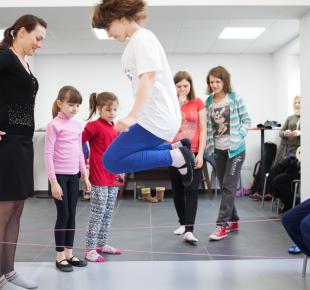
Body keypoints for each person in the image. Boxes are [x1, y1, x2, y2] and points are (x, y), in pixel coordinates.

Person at [91, 0, 194, 186]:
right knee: (121, 156)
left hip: (156, 120)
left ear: (120, 18)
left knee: (111, 161)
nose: (107, 34)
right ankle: (175, 149)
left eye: (107, 27)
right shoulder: (135, 42)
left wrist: (132, 116)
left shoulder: (143, 39)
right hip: (154, 119)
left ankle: (175, 156)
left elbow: (149, 77)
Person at [0, 15, 47, 289]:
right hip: (6, 145)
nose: (39, 44)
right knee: (4, 209)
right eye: (37, 37)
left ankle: (9, 271)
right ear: (20, 32)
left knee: (17, 208)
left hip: (22, 142)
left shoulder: (23, 63)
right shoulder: (4, 57)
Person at [44, 86, 91, 272]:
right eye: (71, 104)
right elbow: (48, 154)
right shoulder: (54, 125)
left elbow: (80, 152)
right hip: (59, 177)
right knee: (63, 214)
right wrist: (53, 181)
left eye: (78, 105)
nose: (74, 108)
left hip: (74, 175)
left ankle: (69, 253)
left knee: (72, 214)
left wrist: (85, 175)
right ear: (60, 103)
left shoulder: (78, 125)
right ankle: (59, 256)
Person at [205, 66, 251, 241]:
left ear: (225, 81)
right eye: (211, 82)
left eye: (218, 81)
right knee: (225, 184)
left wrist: (240, 135)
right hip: (218, 150)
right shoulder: (209, 102)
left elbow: (246, 120)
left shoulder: (235, 98)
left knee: (228, 186)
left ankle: (221, 225)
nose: (214, 85)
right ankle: (234, 220)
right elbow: (208, 127)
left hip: (236, 150)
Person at [83, 92, 122, 262]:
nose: (112, 112)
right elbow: (78, 142)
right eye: (108, 109)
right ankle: (90, 249)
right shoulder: (93, 126)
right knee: (97, 213)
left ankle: (102, 244)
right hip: (99, 177)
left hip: (113, 177)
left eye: (114, 109)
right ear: (99, 109)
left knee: (107, 213)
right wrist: (83, 163)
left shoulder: (115, 127)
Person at [169, 71, 206, 244]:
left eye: (185, 85)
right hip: (174, 151)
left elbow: (204, 129)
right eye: (179, 86)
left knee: (191, 191)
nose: (183, 89)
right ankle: (183, 223)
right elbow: (168, 126)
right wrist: (177, 104)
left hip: (193, 152)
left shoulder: (198, 103)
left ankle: (190, 230)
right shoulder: (170, 104)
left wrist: (200, 154)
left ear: (190, 85)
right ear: (173, 87)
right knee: (177, 190)